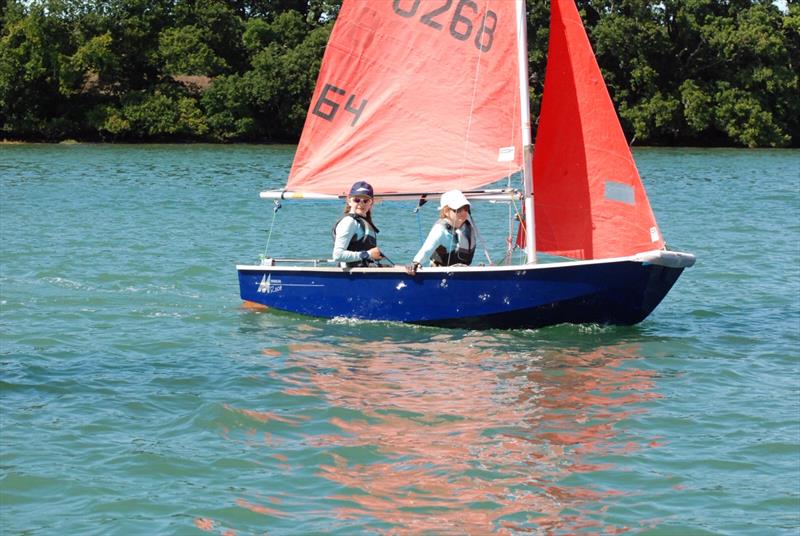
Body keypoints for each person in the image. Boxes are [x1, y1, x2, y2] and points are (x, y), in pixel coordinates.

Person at [406, 190, 476, 275]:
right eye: (458, 209)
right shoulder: (440, 229)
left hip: (463, 270)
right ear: (446, 211)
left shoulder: (466, 220)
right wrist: (416, 262)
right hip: (441, 273)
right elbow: (427, 249)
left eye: (466, 208)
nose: (463, 212)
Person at [332, 181, 384, 267]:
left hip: (363, 276)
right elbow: (337, 255)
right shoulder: (349, 222)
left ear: (371, 203)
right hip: (350, 278)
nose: (361, 203)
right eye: (357, 200)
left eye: (366, 200)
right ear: (349, 201)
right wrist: (368, 254)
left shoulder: (361, 222)